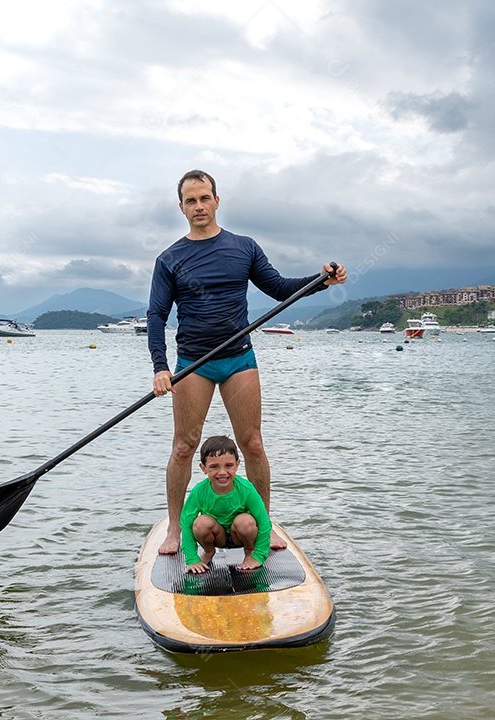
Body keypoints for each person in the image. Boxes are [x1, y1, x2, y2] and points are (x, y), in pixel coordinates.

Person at [147, 169, 347, 555]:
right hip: (193, 363)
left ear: (217, 201)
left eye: (205, 198)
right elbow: (156, 315)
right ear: (181, 207)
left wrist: (321, 280)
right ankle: (174, 529)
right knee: (183, 448)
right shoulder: (170, 258)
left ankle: (265, 526)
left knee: (252, 444)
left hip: (239, 359)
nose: (199, 206)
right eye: (191, 200)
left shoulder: (244, 247)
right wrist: (160, 366)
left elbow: (279, 288)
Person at [180, 435, 270, 573]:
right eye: (214, 467)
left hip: (240, 535)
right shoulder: (199, 491)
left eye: (228, 465)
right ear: (203, 468)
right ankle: (209, 552)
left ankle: (250, 552)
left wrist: (260, 555)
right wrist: (192, 559)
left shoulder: (246, 489)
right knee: (200, 523)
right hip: (217, 536)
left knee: (245, 521)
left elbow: (264, 522)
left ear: (237, 464)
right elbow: (186, 524)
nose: (222, 472)